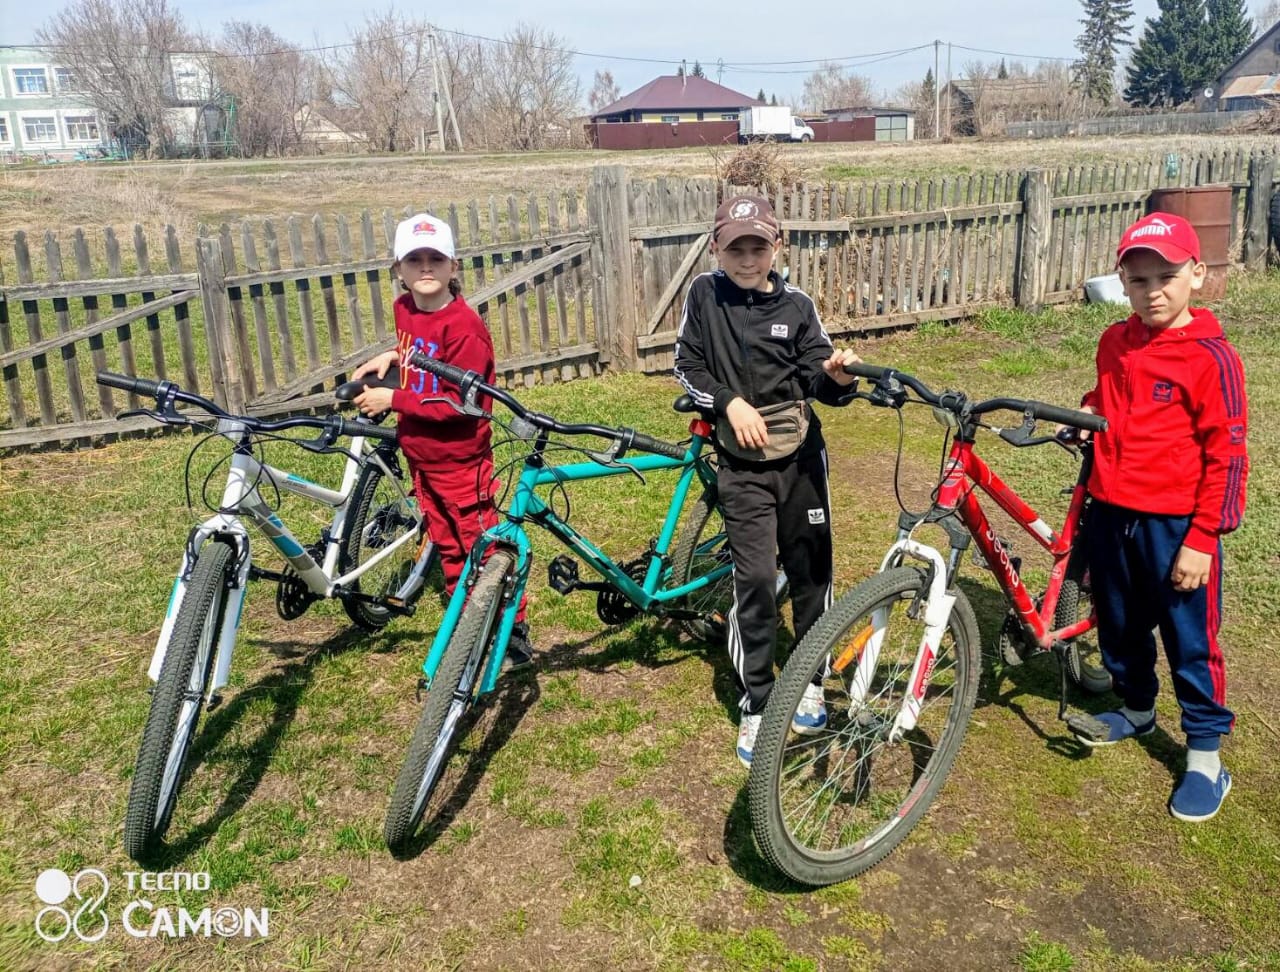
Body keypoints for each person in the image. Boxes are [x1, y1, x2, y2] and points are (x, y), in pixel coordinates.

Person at [1073, 211, 1249, 822]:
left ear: (1196, 274)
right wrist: (1089, 411)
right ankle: (1137, 707)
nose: (1153, 291)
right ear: (1122, 280)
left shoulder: (1211, 358)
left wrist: (1203, 538)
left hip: (1177, 528)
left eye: (1166, 276)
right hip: (1112, 514)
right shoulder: (1114, 342)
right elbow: (1108, 399)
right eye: (1138, 278)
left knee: (1189, 639)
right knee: (1119, 624)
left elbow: (1228, 455)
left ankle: (1204, 755)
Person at [674, 194, 861, 767]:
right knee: (754, 580)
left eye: (758, 246)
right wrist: (729, 403)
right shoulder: (704, 296)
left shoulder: (799, 306)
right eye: (736, 247)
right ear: (717, 248)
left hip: (800, 462)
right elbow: (687, 364)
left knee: (810, 573)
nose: (748, 258)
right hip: (741, 466)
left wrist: (836, 377)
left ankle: (807, 679)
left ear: (777, 247)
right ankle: (757, 704)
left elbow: (818, 377)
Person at [352, 213, 531, 665]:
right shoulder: (405, 310)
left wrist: (394, 398)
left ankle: (512, 628)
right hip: (420, 454)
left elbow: (460, 404)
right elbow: (417, 352)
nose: (425, 268)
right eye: (415, 259)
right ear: (399, 268)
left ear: (455, 266)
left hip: (460, 458)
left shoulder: (465, 328)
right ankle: (465, 612)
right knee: (447, 542)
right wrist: (391, 356)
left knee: (481, 541)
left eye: (436, 258)